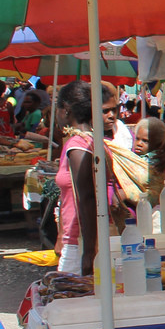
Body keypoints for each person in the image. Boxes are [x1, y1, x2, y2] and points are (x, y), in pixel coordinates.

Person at [52, 81, 121, 275]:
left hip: (80, 242)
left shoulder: (79, 144)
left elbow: (88, 197)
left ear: (65, 109)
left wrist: (89, 253)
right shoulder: (92, 140)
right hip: (81, 239)